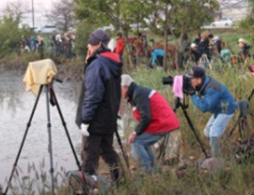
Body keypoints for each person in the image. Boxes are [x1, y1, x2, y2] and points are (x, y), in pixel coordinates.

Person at [76, 29, 122, 182]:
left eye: (91, 44)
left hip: (96, 119)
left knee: (90, 154)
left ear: (99, 44)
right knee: (108, 151)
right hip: (109, 117)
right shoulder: (113, 60)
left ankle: (88, 187)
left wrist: (86, 120)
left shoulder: (97, 64)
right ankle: (120, 180)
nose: (88, 46)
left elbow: (93, 94)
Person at [121, 74, 180, 173]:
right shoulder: (136, 92)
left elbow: (146, 117)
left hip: (163, 122)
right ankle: (153, 169)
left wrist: (135, 132)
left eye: (120, 89)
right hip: (163, 121)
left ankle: (146, 170)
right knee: (143, 141)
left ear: (126, 87)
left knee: (135, 141)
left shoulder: (138, 93)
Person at [188, 67, 237, 157]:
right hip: (218, 109)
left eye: (191, 79)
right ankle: (216, 148)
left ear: (199, 80)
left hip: (226, 108)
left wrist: (192, 95)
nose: (189, 81)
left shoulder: (212, 88)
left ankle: (216, 158)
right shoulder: (203, 84)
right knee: (207, 131)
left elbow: (205, 107)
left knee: (214, 131)